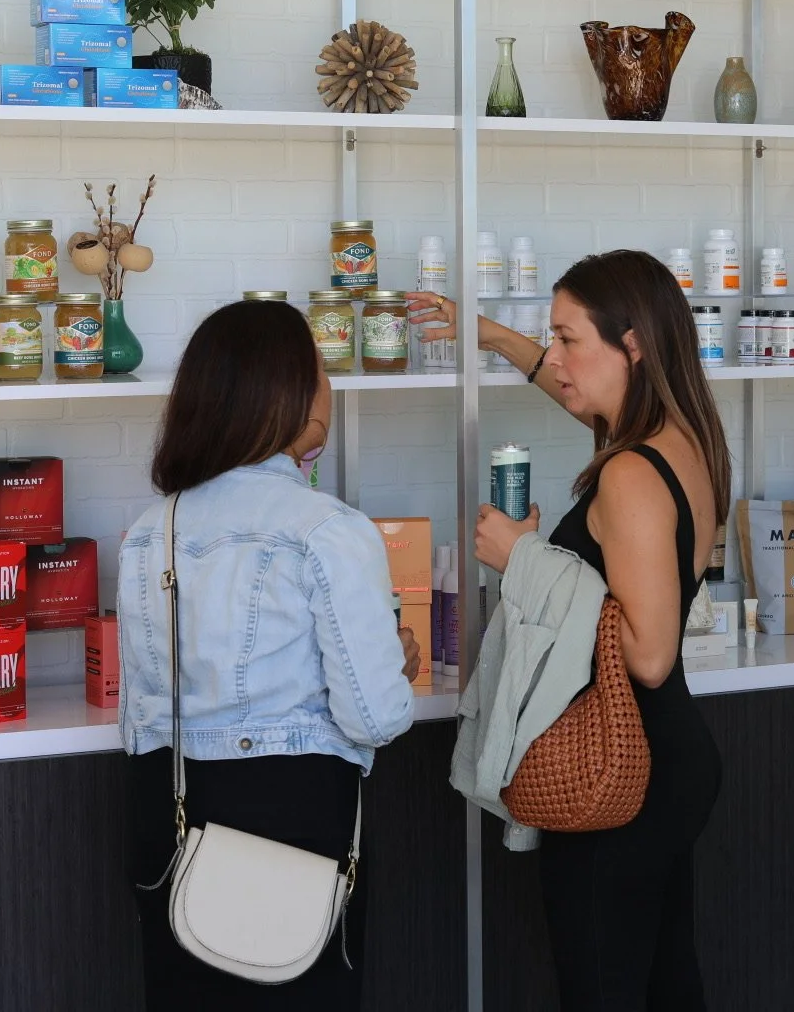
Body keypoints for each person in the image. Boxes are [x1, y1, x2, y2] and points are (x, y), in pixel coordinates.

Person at [410, 250, 729, 1011]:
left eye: (567, 339)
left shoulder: (628, 474)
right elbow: (578, 397)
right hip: (668, 758)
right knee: (665, 983)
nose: (554, 359)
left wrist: (522, 558)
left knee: (604, 991)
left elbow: (648, 655)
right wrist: (492, 337)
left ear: (634, 344)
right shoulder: (682, 436)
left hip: (621, 769)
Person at [120, 299, 422, 1011]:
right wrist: (396, 665)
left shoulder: (148, 530)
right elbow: (374, 717)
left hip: (168, 827)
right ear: (288, 395)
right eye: (321, 373)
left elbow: (147, 711)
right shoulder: (328, 530)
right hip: (292, 828)